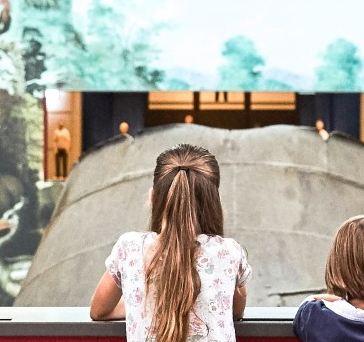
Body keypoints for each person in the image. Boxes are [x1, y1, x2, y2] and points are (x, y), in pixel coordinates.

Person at [89, 144, 249, 342]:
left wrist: (140, 303)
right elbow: (235, 311)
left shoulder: (129, 247)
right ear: (215, 201)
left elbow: (99, 310)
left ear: (152, 198)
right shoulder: (229, 252)